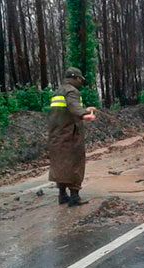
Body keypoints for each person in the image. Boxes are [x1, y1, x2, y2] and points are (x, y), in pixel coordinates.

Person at [47, 67, 96, 206]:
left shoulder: (58, 91)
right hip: (71, 135)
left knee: (60, 164)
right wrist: (85, 115)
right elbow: (74, 106)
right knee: (75, 163)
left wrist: (84, 110)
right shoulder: (72, 91)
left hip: (57, 134)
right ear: (76, 78)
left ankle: (62, 195)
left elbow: (67, 109)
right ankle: (74, 197)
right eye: (81, 79)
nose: (81, 82)